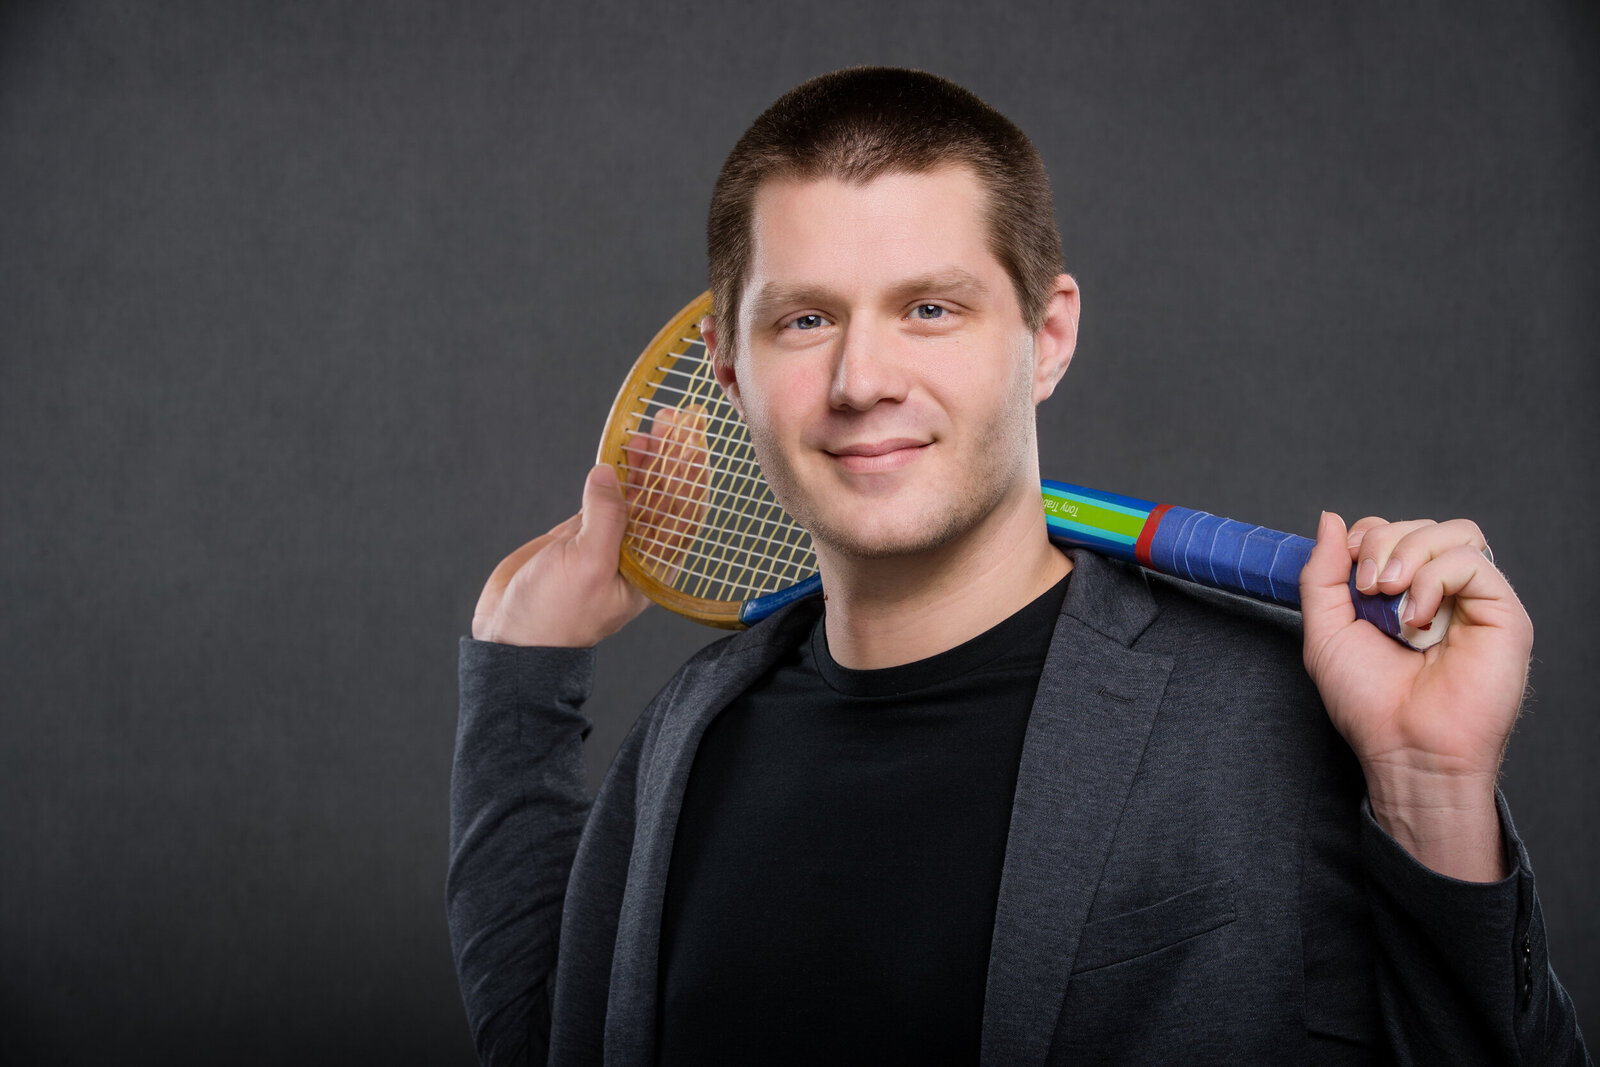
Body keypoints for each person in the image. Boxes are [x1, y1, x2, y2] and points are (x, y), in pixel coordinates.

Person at [448, 67, 1588, 1065]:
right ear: (729, 366)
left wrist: (1431, 794)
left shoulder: (1279, 721)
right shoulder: (686, 738)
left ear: (1046, 336)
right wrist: (517, 673)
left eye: (930, 308)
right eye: (803, 320)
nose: (860, 379)